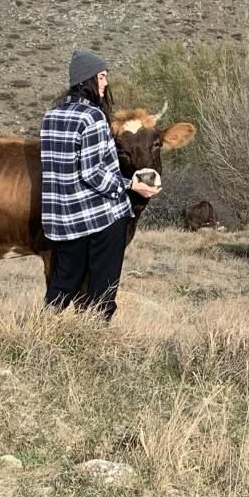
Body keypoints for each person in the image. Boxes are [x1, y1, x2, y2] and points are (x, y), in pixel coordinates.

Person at [40, 49, 160, 320]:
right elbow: (94, 174)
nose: (106, 83)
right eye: (102, 77)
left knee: (63, 283)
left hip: (63, 220)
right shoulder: (92, 117)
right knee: (102, 291)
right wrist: (132, 185)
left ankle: (41, 332)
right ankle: (95, 340)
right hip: (99, 218)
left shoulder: (52, 115)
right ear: (87, 80)